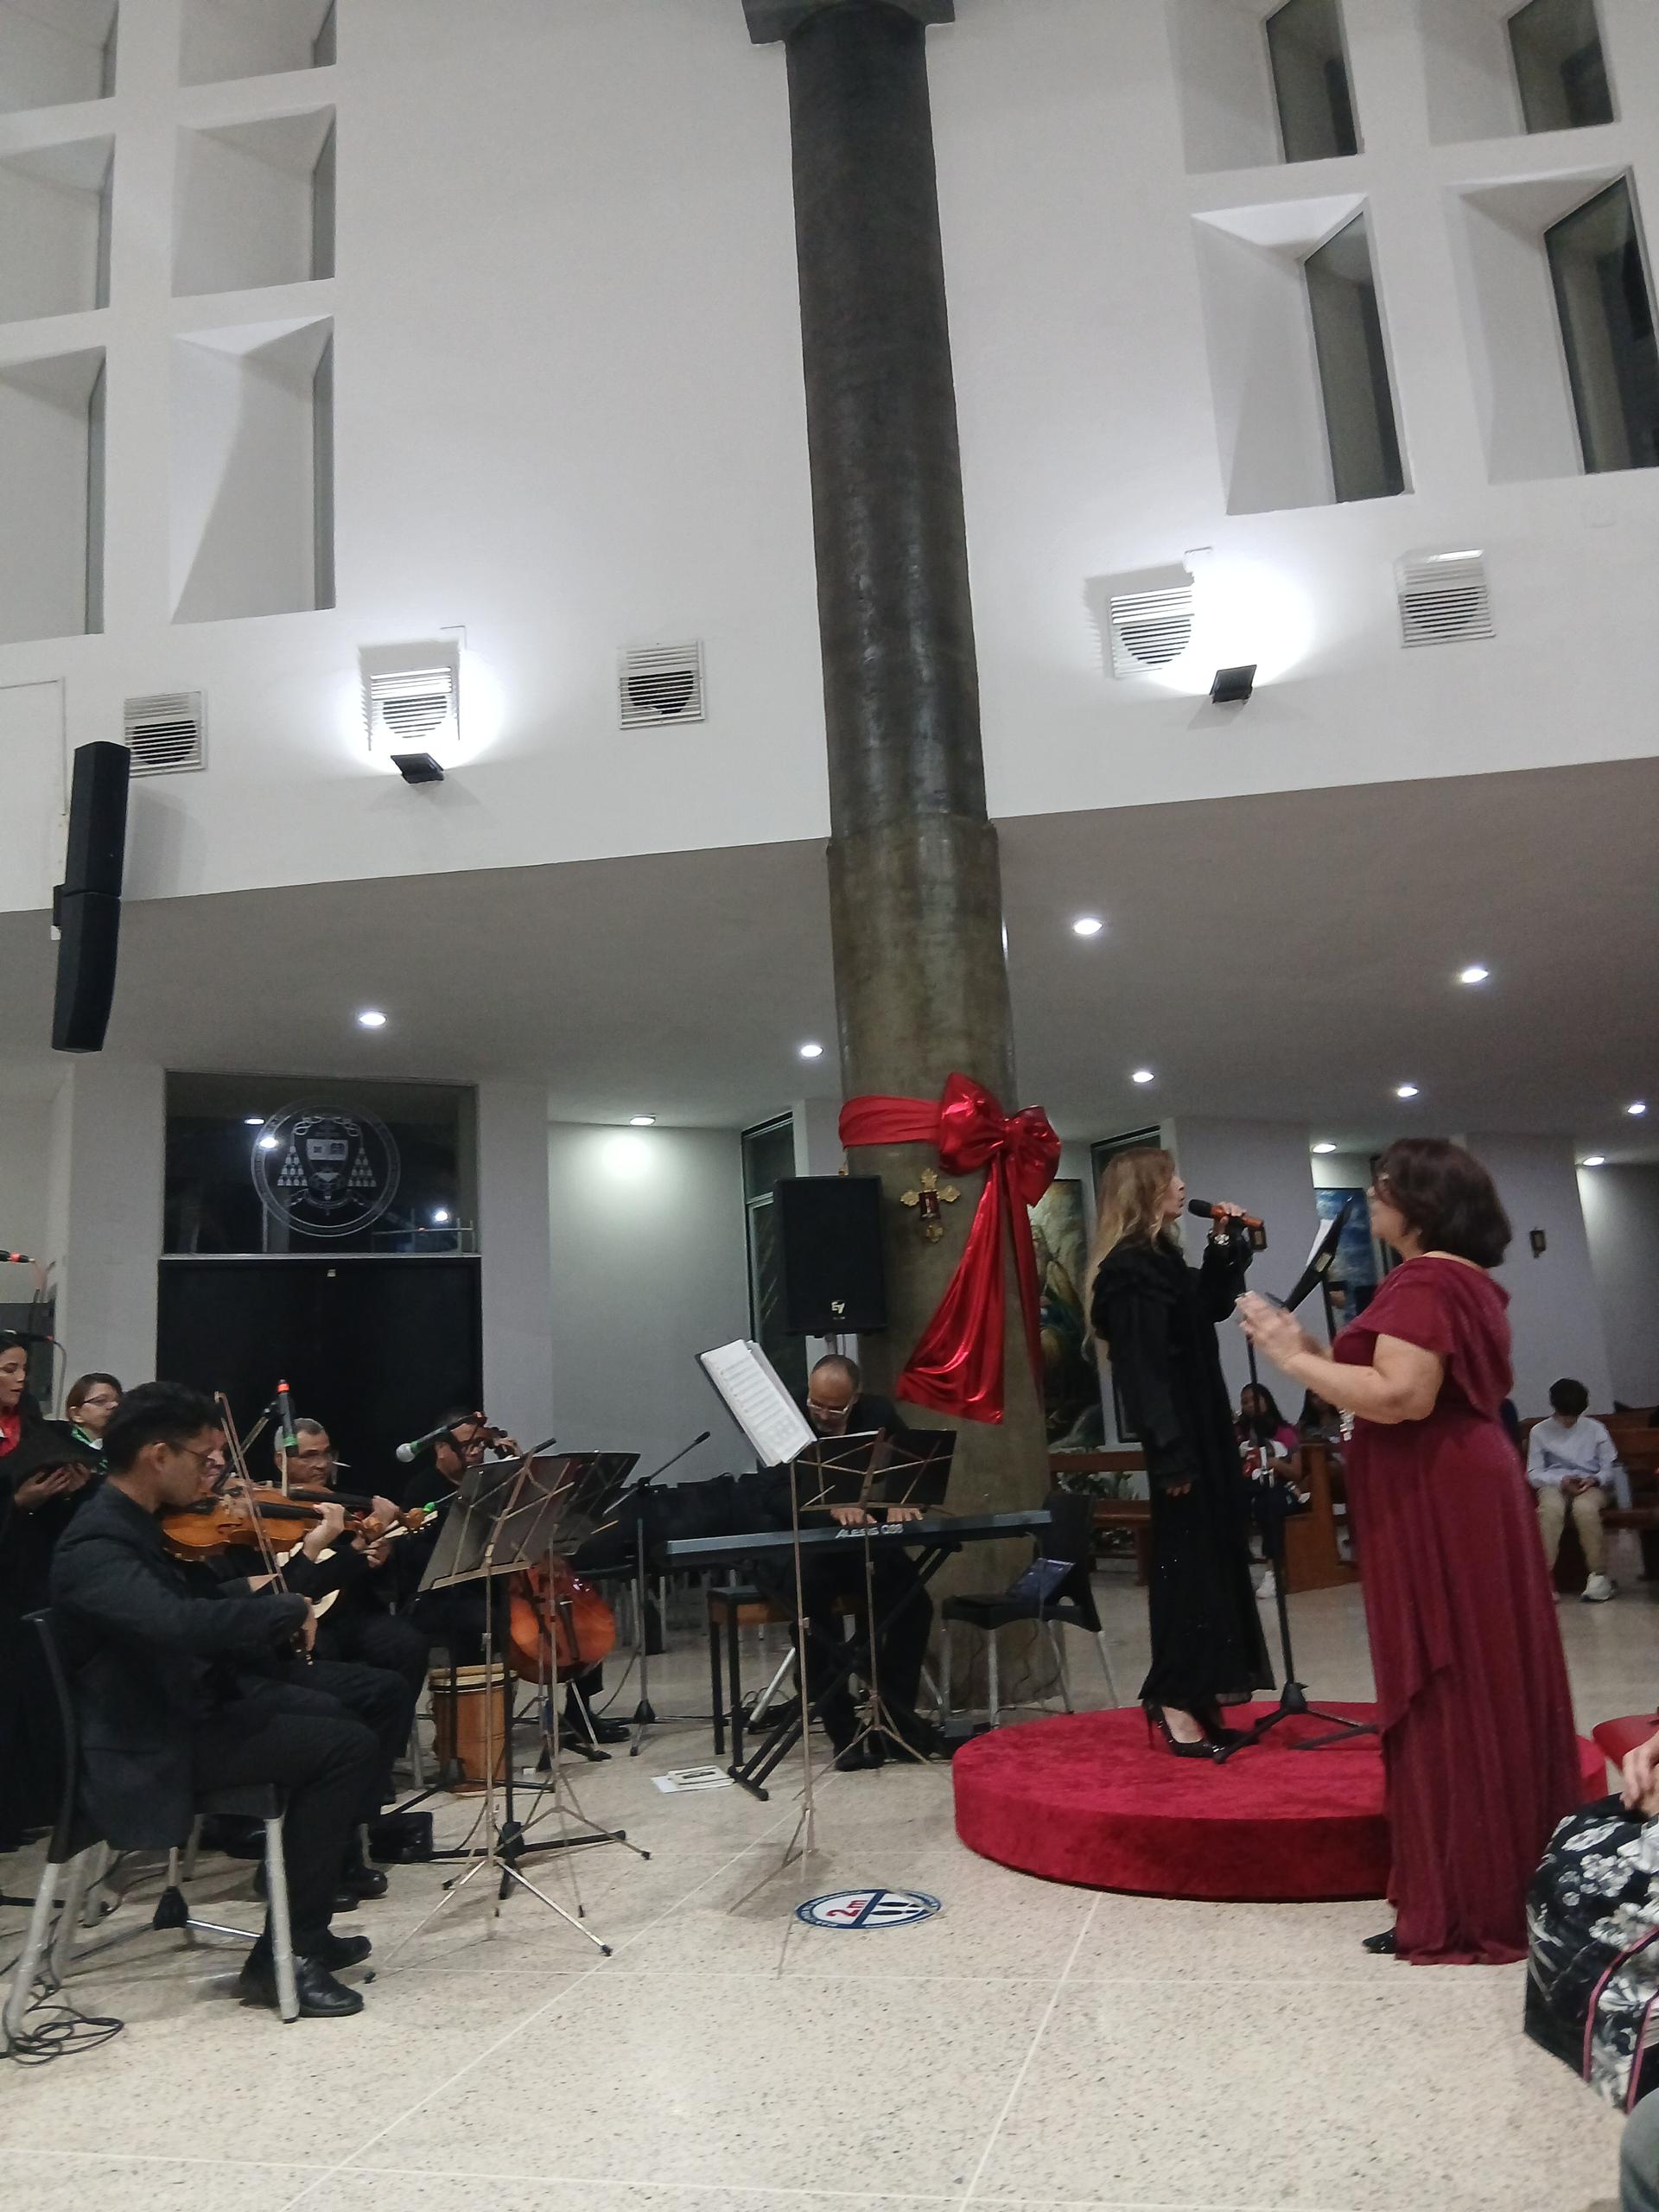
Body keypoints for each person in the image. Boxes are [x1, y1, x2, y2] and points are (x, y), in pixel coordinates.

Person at [1240, 1136, 1582, 1964]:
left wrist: (1286, 1357)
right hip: (1455, 1484)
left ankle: (1466, 1898)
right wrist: (1307, 1351)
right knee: (1478, 1678)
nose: (1372, 1199)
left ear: (1419, 1204)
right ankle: (1483, 1876)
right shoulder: (1456, 1279)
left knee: (1450, 1686)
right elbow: (1385, 1388)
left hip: (1442, 1496)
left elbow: (1400, 1396)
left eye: (1382, 1187)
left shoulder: (1425, 1280)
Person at [50, 1382, 380, 2017]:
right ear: (157, 1456)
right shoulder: (96, 1544)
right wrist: (282, 1610)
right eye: (203, 1458)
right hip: (143, 1748)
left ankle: (303, 1930)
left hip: (173, 1711)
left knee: (336, 1713)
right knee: (344, 1748)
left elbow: (196, 1608)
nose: (213, 1472)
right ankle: (285, 1957)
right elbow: (176, 1625)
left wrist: (283, 1600)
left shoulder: (136, 1524)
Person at [1088, 1149, 1269, 1756]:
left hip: (1203, 1426)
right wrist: (1168, 1452)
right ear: (1146, 1191)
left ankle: (1200, 1696)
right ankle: (1172, 1697)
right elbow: (1140, 1372)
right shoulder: (1128, 1270)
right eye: (1171, 1179)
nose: (1184, 1185)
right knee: (1186, 1569)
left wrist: (1222, 1243)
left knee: (1212, 1563)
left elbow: (1211, 1307)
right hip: (1180, 1437)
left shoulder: (1162, 1259)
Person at [403, 1412, 626, 1745]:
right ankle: (472, 1730)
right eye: (467, 1445)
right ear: (440, 1448)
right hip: (448, 1591)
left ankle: (579, 1713)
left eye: (481, 1444)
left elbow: (532, 1520)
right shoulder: (423, 1491)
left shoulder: (492, 1481)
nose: (476, 1452)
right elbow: (418, 1558)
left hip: (501, 1581)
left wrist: (522, 1468)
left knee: (575, 1609)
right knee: (479, 1621)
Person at [278, 1416, 430, 1696]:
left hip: (352, 1615)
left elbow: (376, 1580)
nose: (321, 1464)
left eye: (326, 1454)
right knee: (322, 1655)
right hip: (305, 1622)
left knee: (409, 1644)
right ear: (281, 1462)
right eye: (309, 1456)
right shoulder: (269, 1512)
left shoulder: (349, 1507)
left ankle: (393, 1721)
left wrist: (380, 1558)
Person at [1529, 1376, 1623, 1604]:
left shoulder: (1595, 1429)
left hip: (1591, 1484)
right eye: (1565, 1415)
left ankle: (1598, 1575)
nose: (1570, 1420)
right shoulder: (1539, 1432)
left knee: (1584, 1509)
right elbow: (1533, 1473)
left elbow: (1609, 1468)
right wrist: (1561, 1480)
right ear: (1555, 1408)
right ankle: (1544, 1578)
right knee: (1550, 1510)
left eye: (1574, 1415)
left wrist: (1594, 1479)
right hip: (1554, 1483)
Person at [65, 1371, 124, 1457]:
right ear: (76, 1414)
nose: (115, 1405)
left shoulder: (125, 1444)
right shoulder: (64, 1450)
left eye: (118, 1400)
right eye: (100, 1401)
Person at [1236, 1382, 1300, 1457]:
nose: (1250, 1405)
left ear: (1267, 1400)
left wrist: (1276, 1462)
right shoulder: (1240, 1433)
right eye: (1245, 1402)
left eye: (1255, 1399)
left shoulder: (1286, 1432)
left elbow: (1295, 1463)